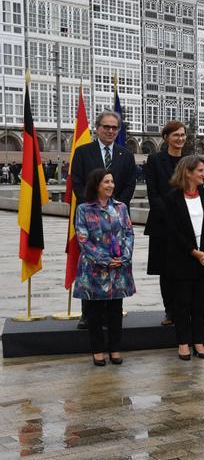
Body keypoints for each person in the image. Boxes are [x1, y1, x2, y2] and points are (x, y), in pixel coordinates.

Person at [70, 111, 137, 330]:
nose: (110, 131)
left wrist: (114, 206)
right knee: (92, 268)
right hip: (90, 219)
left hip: (116, 221)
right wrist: (94, 206)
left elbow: (129, 184)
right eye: (106, 127)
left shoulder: (125, 155)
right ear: (97, 128)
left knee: (114, 267)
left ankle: (112, 313)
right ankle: (88, 314)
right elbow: (77, 182)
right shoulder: (82, 152)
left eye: (114, 128)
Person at [73, 168, 135, 366]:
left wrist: (124, 257)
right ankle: (98, 350)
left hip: (118, 269)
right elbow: (82, 238)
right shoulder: (84, 209)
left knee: (116, 311)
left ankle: (115, 349)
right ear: (96, 185)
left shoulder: (121, 207)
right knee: (94, 313)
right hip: (93, 270)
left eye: (112, 182)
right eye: (106, 182)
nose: (111, 185)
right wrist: (105, 260)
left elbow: (129, 233)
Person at [163, 156, 204, 360]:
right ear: (188, 172)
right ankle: (183, 343)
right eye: (201, 171)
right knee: (182, 303)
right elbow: (173, 231)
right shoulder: (172, 198)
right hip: (182, 259)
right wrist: (194, 252)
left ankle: (199, 342)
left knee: (201, 304)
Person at [144, 120, 188, 326]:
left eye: (182, 135)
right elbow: (153, 194)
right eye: (175, 135)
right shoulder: (154, 160)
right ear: (166, 138)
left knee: (183, 269)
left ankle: (183, 308)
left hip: (186, 225)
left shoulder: (189, 161)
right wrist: (173, 215)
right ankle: (169, 310)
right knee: (166, 270)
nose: (180, 139)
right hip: (162, 224)